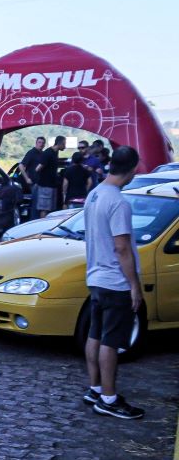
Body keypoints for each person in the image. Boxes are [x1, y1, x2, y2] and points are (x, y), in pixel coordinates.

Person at [82, 145, 144, 419]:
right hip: (115, 281)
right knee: (111, 341)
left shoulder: (95, 194)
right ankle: (109, 398)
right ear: (132, 170)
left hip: (95, 277)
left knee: (95, 335)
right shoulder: (118, 202)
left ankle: (95, 388)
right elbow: (122, 247)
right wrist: (134, 285)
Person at [32, 135, 66, 218]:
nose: (65, 146)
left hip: (52, 185)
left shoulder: (55, 152)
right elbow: (37, 168)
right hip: (45, 186)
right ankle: (42, 224)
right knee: (44, 209)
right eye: (64, 144)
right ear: (60, 143)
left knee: (50, 209)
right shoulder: (48, 153)